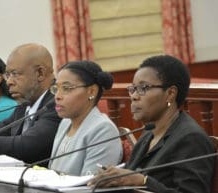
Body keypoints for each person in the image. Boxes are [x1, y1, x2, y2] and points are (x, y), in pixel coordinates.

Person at [88, 55, 215, 193]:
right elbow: (130, 179)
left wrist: (143, 181)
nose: (134, 96)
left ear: (170, 93)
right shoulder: (149, 132)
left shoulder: (191, 138)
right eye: (133, 89)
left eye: (143, 88)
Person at [48, 60, 123, 176]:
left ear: (91, 91)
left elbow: (89, 184)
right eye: (56, 89)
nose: (57, 96)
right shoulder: (65, 122)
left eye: (66, 88)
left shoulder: (103, 130)